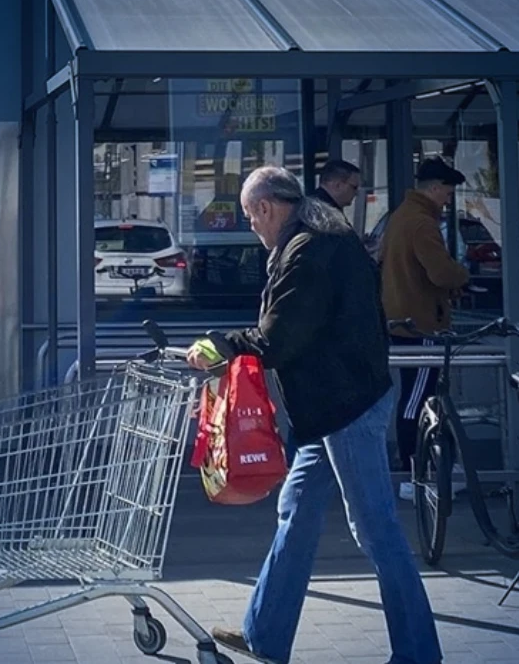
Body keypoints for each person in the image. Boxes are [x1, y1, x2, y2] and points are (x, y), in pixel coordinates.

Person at [187, 166, 442, 664]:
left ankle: (418, 654)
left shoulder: (308, 252)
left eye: (249, 217)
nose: (252, 228)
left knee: (376, 529)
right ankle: (265, 635)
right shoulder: (319, 236)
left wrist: (220, 345)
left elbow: (279, 337)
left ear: (265, 207)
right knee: (296, 516)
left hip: (345, 407)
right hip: (330, 408)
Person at [380, 158, 472, 502]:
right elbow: (442, 273)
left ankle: (427, 466)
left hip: (404, 319)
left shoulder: (402, 216)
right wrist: (463, 275)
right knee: (418, 400)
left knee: (418, 397)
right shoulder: (422, 223)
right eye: (447, 192)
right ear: (434, 188)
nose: (448, 199)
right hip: (420, 324)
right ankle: (412, 471)